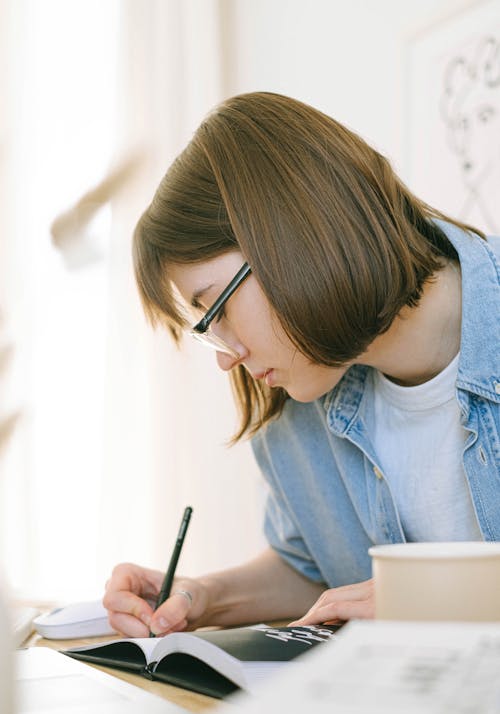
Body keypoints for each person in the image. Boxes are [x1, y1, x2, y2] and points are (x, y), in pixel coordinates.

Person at [103, 91, 500, 638]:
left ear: (294, 236)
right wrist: (203, 598)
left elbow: (396, 599)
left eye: (215, 307)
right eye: (206, 330)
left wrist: (434, 598)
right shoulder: (298, 404)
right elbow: (316, 568)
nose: (226, 357)